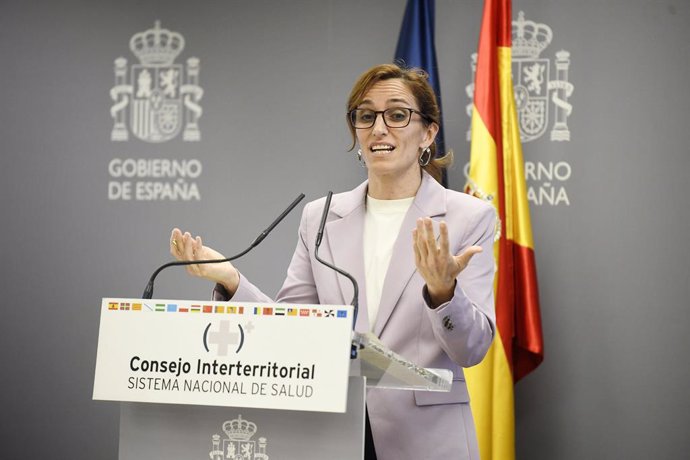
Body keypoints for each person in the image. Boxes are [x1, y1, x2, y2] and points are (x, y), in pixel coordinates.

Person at [170, 63, 496, 460]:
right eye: (365, 116)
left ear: (428, 132)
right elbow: (292, 331)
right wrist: (233, 280)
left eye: (397, 115)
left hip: (425, 442)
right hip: (334, 437)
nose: (378, 128)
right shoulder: (321, 217)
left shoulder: (468, 217)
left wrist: (445, 292)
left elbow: (473, 349)